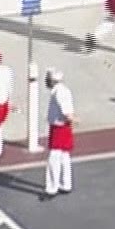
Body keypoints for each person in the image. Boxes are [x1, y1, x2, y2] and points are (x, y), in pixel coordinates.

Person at [42, 69, 75, 200]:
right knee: (64, 156)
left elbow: (66, 111)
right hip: (63, 127)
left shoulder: (59, 93)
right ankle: (66, 184)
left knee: (54, 158)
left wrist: (72, 119)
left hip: (59, 127)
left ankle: (51, 188)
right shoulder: (63, 90)